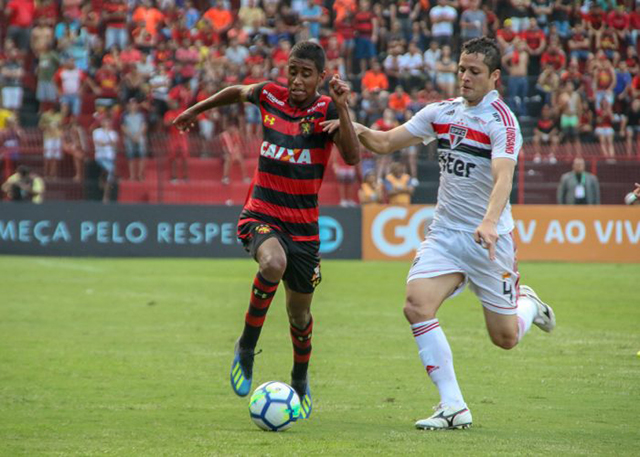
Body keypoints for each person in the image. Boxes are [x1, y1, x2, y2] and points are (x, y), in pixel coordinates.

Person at [322, 37, 556, 430]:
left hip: (488, 239)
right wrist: (357, 126)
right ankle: (453, 406)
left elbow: (503, 177)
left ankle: (527, 304)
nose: (464, 77)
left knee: (505, 338)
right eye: (461, 69)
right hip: (445, 234)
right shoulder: (440, 113)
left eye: (474, 71)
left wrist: (488, 221)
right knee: (416, 304)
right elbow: (384, 143)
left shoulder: (502, 121)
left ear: (495, 77)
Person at [172, 41, 359, 420]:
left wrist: (342, 106)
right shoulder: (270, 97)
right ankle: (246, 346)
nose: (296, 80)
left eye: (306, 73)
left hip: (304, 231)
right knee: (272, 263)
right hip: (262, 214)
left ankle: (300, 379)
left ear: (321, 78)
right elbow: (236, 92)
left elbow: (353, 158)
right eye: (292, 70)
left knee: (299, 316)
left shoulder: (327, 112)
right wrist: (196, 108)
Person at [92, 118, 118, 203]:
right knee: (109, 169)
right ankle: (102, 179)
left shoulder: (113, 133)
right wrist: (108, 143)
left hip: (110, 157)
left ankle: (106, 195)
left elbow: (114, 144)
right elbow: (99, 143)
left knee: (110, 171)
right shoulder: (96, 132)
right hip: (100, 156)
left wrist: (108, 135)